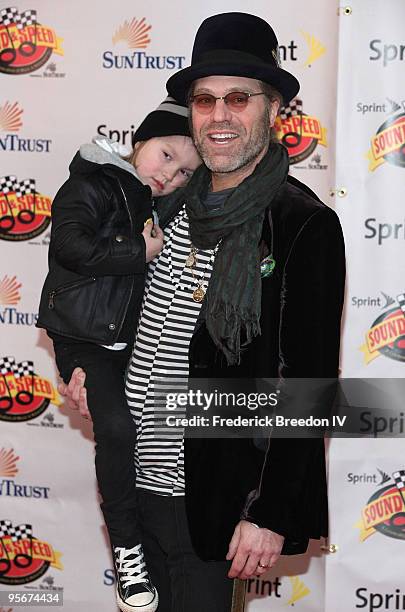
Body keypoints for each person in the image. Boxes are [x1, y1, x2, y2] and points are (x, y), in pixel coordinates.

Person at [61, 12, 346, 612]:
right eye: (205, 99)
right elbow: (109, 307)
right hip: (132, 489)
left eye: (239, 98)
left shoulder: (302, 225)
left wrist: (268, 514)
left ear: (274, 111)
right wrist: (90, 372)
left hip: (213, 502)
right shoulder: (162, 203)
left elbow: (309, 388)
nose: (219, 115)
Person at [36, 97, 201, 612]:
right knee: (118, 431)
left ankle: (138, 546)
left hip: (125, 344)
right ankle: (127, 549)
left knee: (136, 434)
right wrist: (140, 253)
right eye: (166, 155)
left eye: (184, 172)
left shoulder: (159, 205)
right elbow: (69, 245)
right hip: (84, 339)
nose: (171, 174)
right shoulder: (93, 183)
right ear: (138, 144)